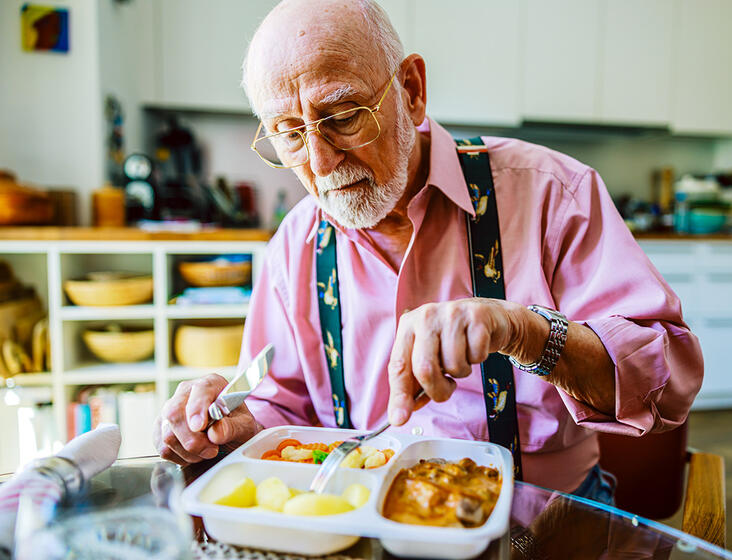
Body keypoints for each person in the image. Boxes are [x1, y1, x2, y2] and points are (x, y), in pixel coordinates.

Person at [154, 0, 703, 499]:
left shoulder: (554, 194)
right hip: (359, 518)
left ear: (411, 90)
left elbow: (669, 378)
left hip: (542, 522)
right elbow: (283, 406)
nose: (320, 164)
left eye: (342, 116)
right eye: (290, 134)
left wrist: (525, 331)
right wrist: (235, 423)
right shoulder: (294, 245)